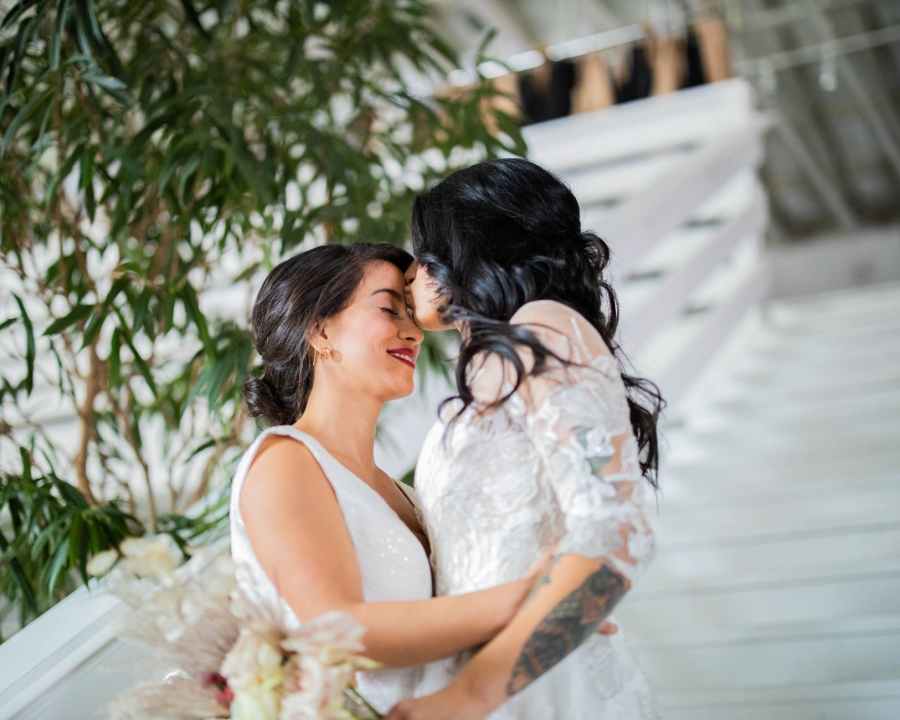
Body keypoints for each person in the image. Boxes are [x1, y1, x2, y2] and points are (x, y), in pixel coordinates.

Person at [231, 243, 616, 714]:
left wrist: (555, 617)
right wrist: (530, 597)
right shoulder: (285, 462)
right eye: (390, 310)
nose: (413, 333)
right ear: (320, 328)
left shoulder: (405, 494)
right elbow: (338, 630)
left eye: (411, 315)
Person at [389, 157, 665, 719]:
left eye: (424, 255)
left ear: (465, 252)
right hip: (489, 674)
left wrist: (469, 696)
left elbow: (615, 530)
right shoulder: (496, 360)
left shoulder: (543, 327)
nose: (410, 274)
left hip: (535, 686)